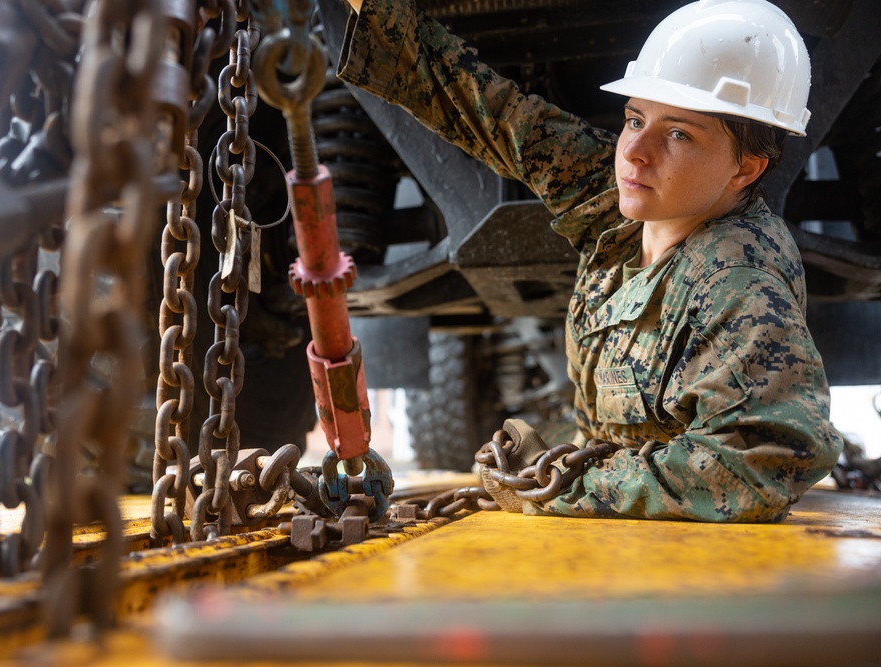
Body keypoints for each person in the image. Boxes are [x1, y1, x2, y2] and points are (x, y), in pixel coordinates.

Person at [336, 0, 843, 522]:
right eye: (634, 119)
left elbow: (765, 460)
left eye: (679, 134)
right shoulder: (626, 197)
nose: (634, 152)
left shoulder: (737, 279)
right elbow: (496, 115)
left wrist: (568, 486)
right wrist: (376, 10)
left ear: (746, 169)